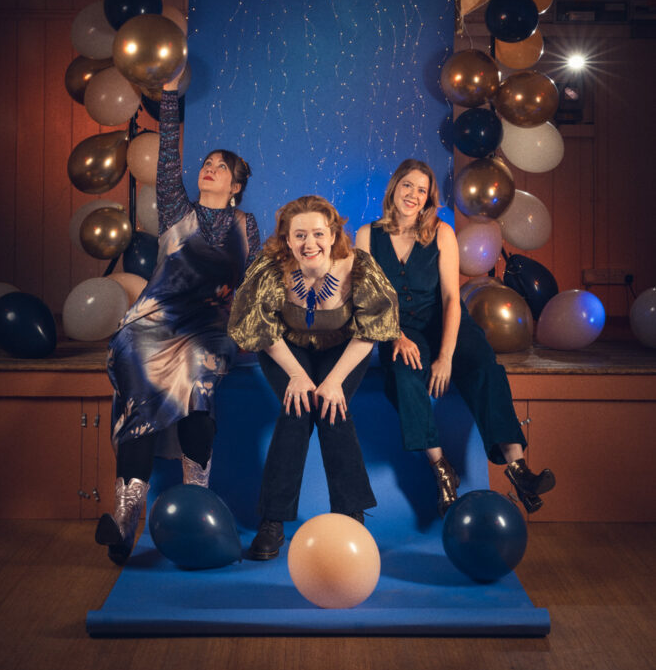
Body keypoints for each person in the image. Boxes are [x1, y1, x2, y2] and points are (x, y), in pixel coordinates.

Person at [95, 72, 260, 564]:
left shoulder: (246, 225)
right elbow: (167, 162)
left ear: (236, 185)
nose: (209, 169)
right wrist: (168, 98)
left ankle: (196, 498)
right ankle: (126, 516)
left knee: (199, 377)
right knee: (140, 402)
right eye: (207, 163)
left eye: (220, 167)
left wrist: (253, 330)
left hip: (208, 328)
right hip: (152, 322)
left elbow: (250, 284)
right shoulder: (173, 210)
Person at [356, 159, 555, 517]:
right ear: (394, 188)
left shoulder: (442, 232)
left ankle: (518, 469)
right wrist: (396, 336)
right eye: (408, 186)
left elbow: (451, 298)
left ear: (429, 198)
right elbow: (369, 298)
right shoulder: (367, 235)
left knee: (484, 365)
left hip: (444, 320)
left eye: (422, 190)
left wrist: (445, 356)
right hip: (398, 328)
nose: (413, 195)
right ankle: (441, 469)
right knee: (403, 376)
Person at [228, 195, 399, 560]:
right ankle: (272, 522)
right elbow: (261, 329)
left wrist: (334, 381)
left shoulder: (359, 267)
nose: (310, 244)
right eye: (300, 235)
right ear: (287, 240)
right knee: (297, 409)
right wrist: (296, 375)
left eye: (319, 234)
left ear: (334, 234)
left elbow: (370, 331)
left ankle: (351, 517)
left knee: (332, 408)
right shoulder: (270, 269)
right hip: (285, 347)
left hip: (344, 348)